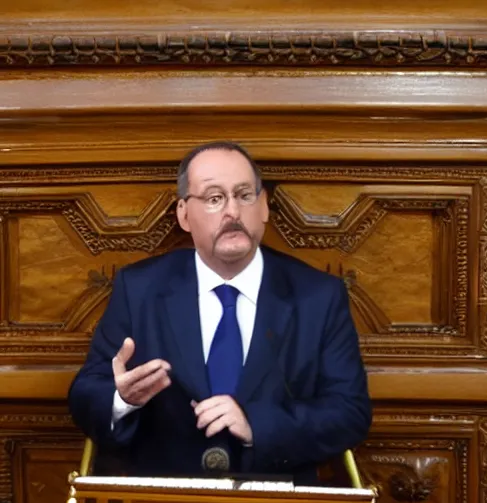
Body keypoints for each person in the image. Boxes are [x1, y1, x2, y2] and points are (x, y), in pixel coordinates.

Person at [68, 141, 372, 485]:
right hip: (166, 500)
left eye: (244, 195)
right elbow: (85, 394)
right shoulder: (139, 288)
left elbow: (350, 413)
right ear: (184, 214)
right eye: (214, 198)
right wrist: (121, 400)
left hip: (276, 501)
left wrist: (256, 424)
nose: (233, 212)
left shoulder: (319, 296)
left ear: (264, 208)